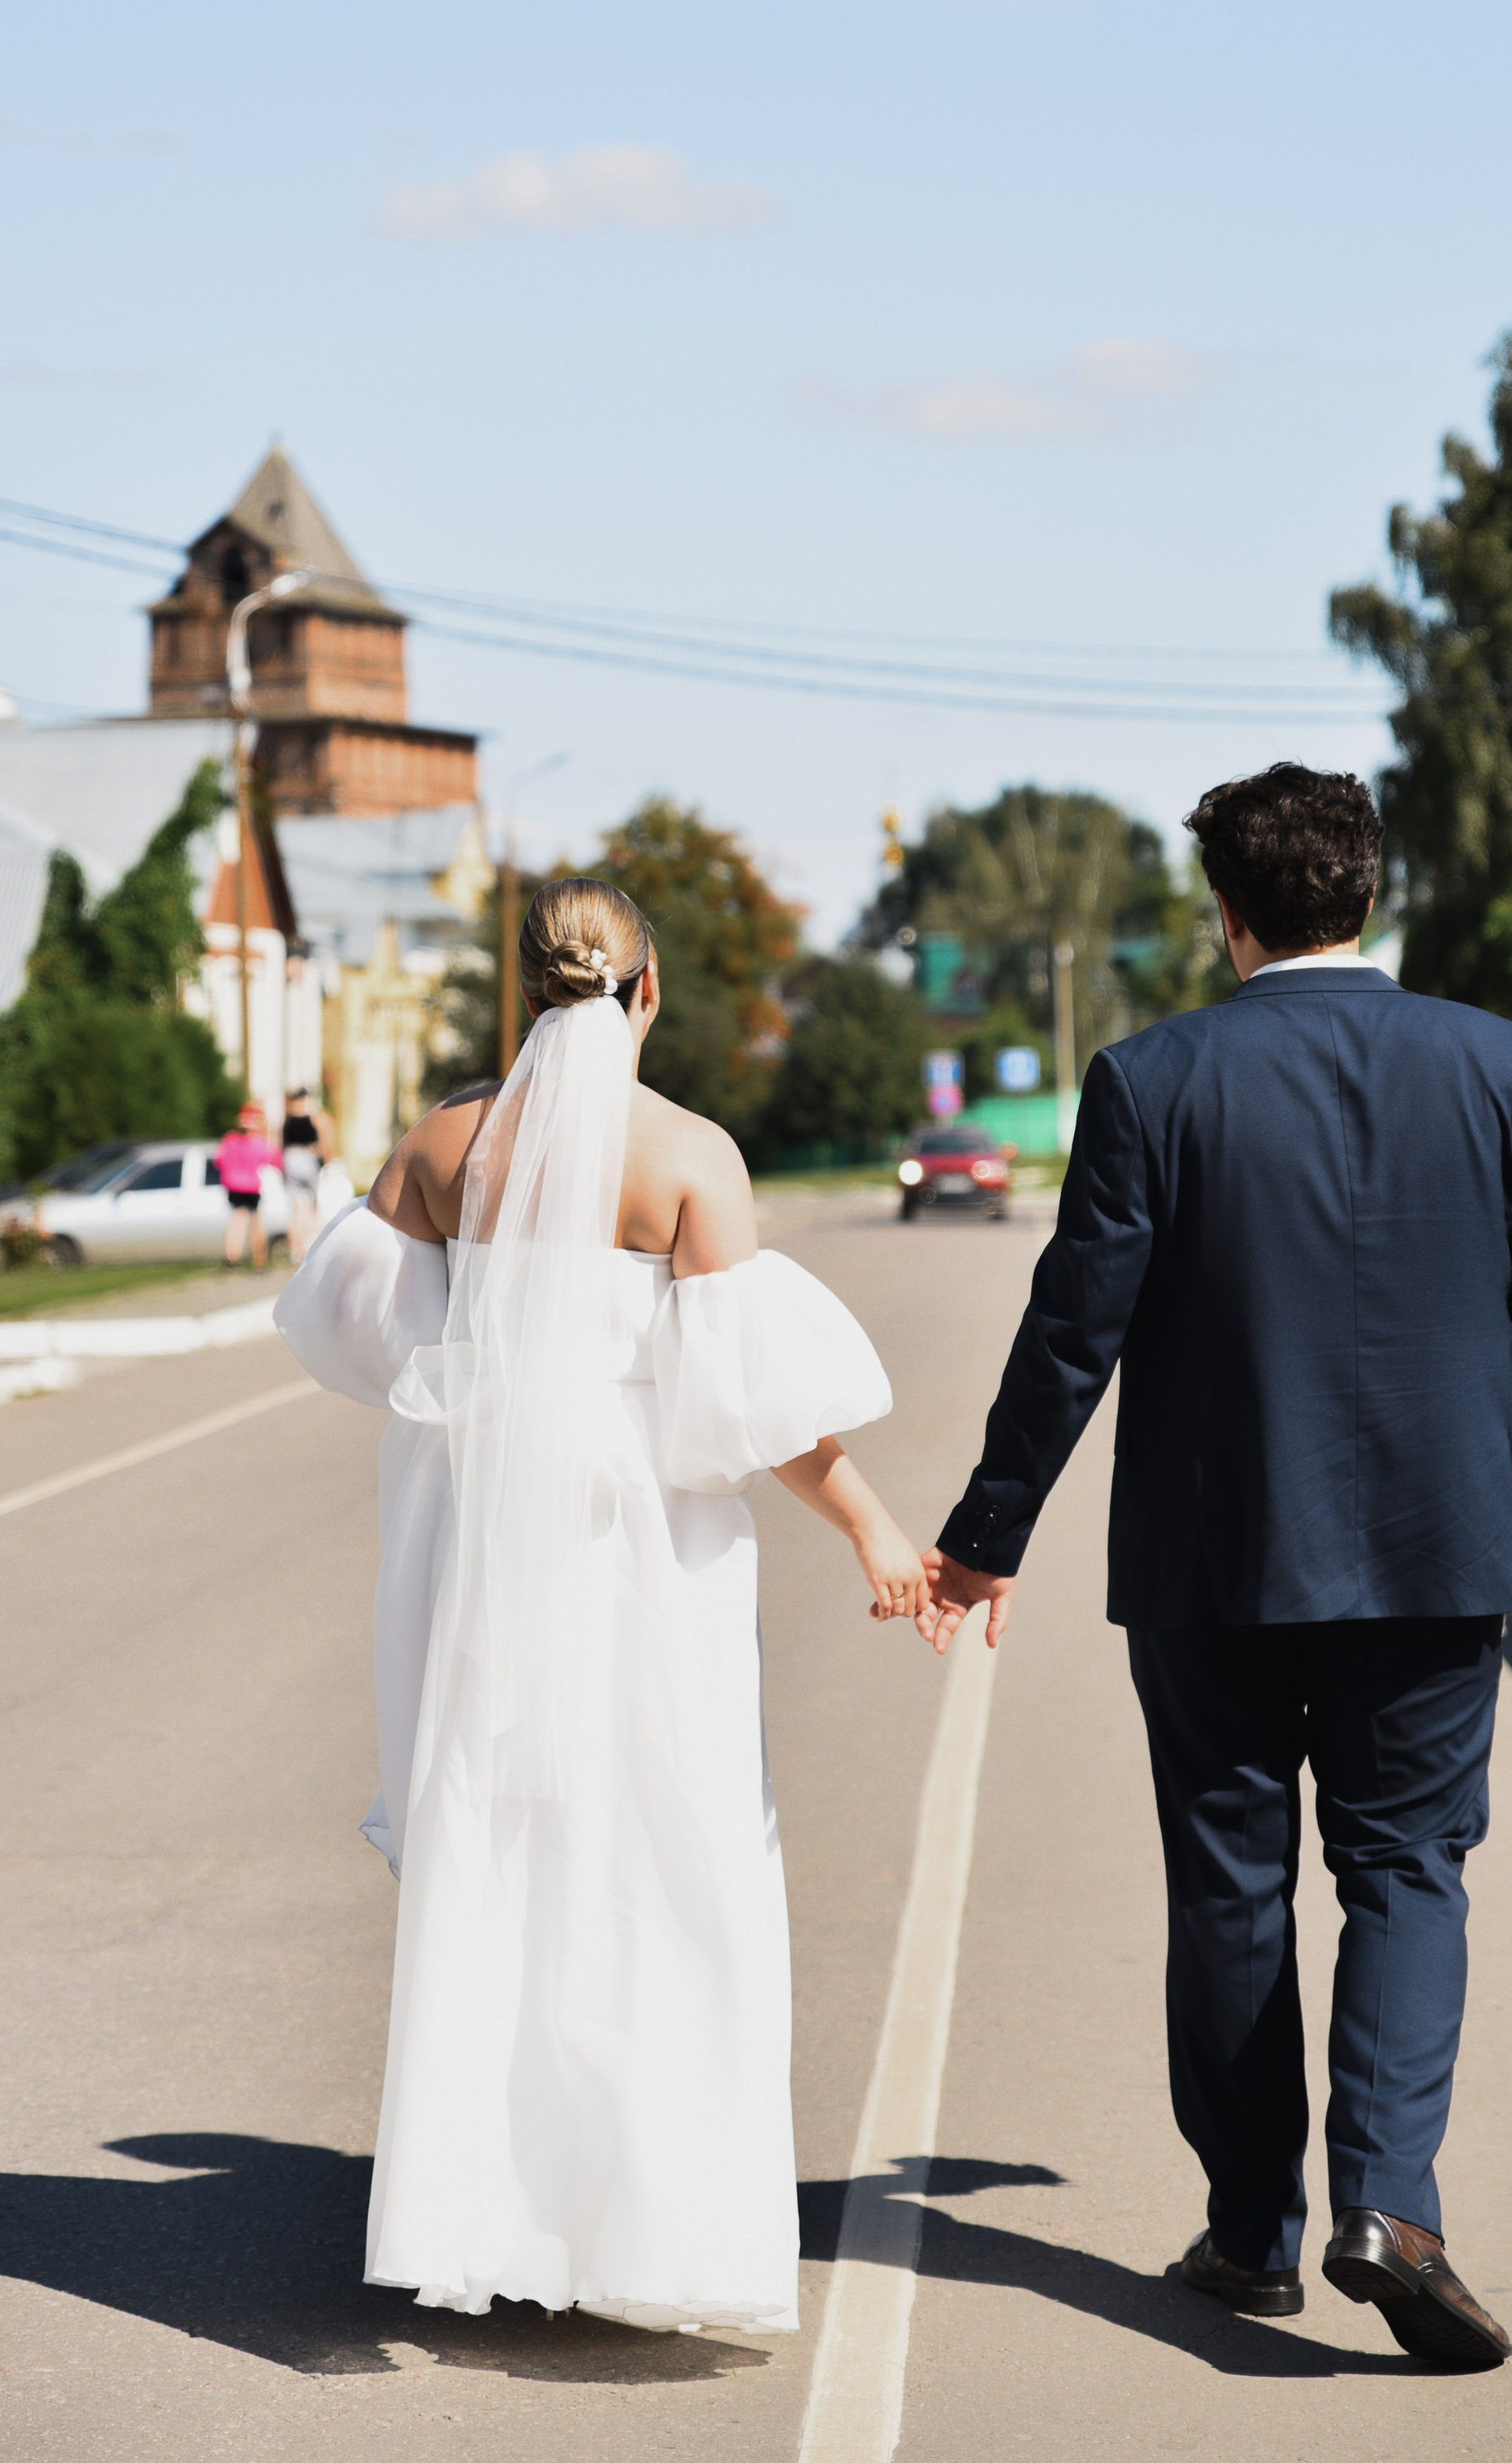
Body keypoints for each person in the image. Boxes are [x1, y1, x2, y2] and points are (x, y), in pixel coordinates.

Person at [916, 764, 1512, 2374]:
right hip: (1439, 1548)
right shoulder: (1494, 1064)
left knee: (1229, 1881)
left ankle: (1252, 2231)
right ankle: (1390, 2206)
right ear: (1363, 891)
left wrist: (981, 1539)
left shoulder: (1150, 1077)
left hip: (1212, 1557)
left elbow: (1068, 1332)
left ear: (1223, 912)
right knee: (1406, 1870)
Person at [274, 878, 921, 2333]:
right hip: (648, 1565)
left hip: (478, 1551)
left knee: (499, 1855)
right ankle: (651, 2234)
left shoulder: (444, 1145)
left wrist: (491, 1376)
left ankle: (480, 2216)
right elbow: (746, 1406)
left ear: (530, 992)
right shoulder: (689, 1156)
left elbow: (359, 1329)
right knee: (664, 1866)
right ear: (646, 988)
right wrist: (876, 1525)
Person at [217, 1102, 281, 1269]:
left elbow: (219, 1161)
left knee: (237, 1220)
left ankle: (232, 1257)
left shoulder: (229, 1140)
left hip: (233, 1186)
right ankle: (259, 1260)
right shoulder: (259, 1143)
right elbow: (273, 1160)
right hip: (252, 1187)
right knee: (256, 1223)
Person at [279, 1086, 335, 1263]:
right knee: (313, 1204)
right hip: (307, 1158)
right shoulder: (315, 1116)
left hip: (289, 1159)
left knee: (295, 1209)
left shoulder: (287, 1117)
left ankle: (295, 1249)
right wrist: (328, 1163)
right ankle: (309, 1245)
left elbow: (281, 1143)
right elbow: (325, 1141)